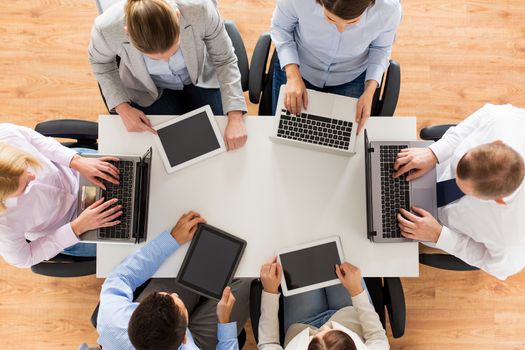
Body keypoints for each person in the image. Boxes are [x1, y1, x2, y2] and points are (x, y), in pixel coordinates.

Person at [89, 0, 248, 150]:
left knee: (219, 139)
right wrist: (122, 108)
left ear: (177, 16)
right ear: (128, 32)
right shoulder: (106, 28)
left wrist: (235, 116)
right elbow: (100, 63)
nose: (166, 60)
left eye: (173, 50)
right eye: (153, 57)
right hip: (148, 89)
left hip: (200, 77)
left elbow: (224, 59)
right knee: (167, 149)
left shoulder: (199, 8)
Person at [393, 104, 525, 280]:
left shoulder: (513, 239)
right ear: (496, 142)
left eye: (465, 190)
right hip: (430, 168)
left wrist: (439, 235)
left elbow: (497, 266)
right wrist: (435, 153)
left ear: (499, 200)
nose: (455, 181)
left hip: (436, 224)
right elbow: (482, 116)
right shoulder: (505, 121)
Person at [97, 211, 251, 350]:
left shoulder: (113, 318)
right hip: (197, 343)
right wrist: (224, 322)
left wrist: (172, 240)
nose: (176, 295)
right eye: (178, 301)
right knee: (248, 281)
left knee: (195, 258)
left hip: (171, 335)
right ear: (184, 339)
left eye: (168, 296)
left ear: (136, 310)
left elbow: (121, 276)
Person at [270, 0, 402, 134]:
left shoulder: (389, 8)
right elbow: (281, 29)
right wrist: (293, 76)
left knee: (341, 139)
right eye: (330, 19)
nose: (341, 29)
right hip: (300, 66)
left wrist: (369, 92)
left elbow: (381, 48)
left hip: (351, 74)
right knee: (286, 132)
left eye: (352, 22)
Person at [0, 123, 122, 267]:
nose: (33, 177)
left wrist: (76, 161)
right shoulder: (3, 225)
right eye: (25, 185)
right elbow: (25, 258)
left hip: (76, 169)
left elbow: (33, 138)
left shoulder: (4, 135)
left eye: (26, 166)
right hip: (73, 225)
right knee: (140, 244)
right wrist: (77, 227)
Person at [257, 257, 389, 349]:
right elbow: (376, 336)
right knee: (339, 256)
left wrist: (270, 291)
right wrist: (356, 290)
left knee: (298, 259)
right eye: (333, 331)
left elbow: (269, 343)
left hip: (303, 324)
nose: (326, 327)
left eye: (314, 338)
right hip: (347, 314)